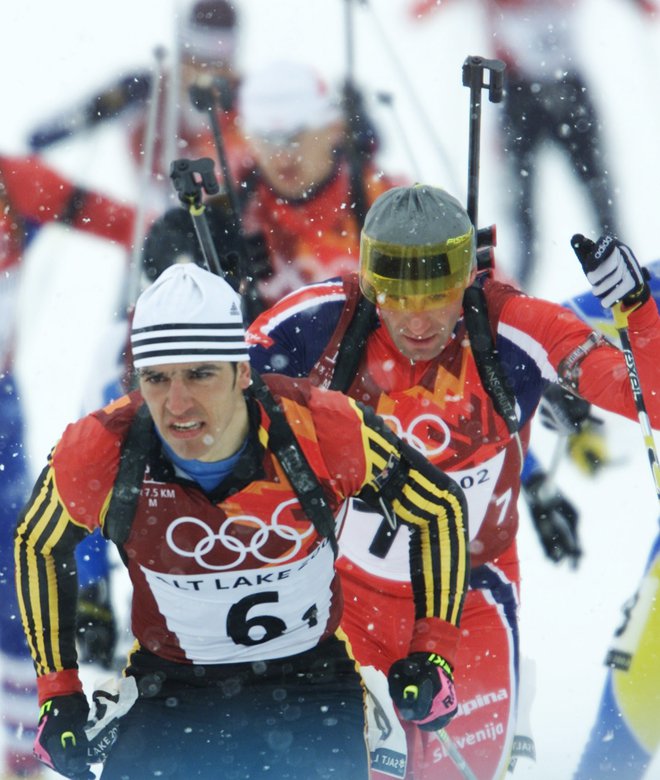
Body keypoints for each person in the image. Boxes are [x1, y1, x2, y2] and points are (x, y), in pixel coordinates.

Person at [246, 183, 660, 779]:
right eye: (394, 293)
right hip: (345, 602)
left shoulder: (513, 328)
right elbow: (200, 399)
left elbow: (646, 401)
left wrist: (637, 309)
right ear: (365, 280)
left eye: (437, 293)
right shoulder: (320, 323)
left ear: (468, 275)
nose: (416, 317)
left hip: (474, 600)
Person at [15, 262, 470, 780]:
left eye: (200, 373)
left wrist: (434, 654)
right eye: (157, 378)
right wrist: (58, 692)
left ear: (243, 371)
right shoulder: (101, 449)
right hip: (171, 690)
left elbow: (439, 508)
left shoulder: (322, 427)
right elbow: (38, 543)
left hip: (310, 684)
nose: (177, 403)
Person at [0, 153, 135, 779]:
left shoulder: (13, 181)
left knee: (13, 550)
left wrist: (165, 240)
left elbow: (125, 223)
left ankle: (25, 734)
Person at [409, 0, 658, 290]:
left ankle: (629, 283)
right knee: (523, 213)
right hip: (522, 97)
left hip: (567, 90)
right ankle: (517, 293)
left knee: (599, 196)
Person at [27, 0, 251, 209]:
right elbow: (43, 135)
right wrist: (96, 109)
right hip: (156, 232)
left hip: (234, 237)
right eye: (196, 59)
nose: (205, 71)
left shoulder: (251, 102)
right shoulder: (147, 91)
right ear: (182, 52)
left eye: (217, 63)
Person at [236, 59, 405, 306]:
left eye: (294, 137)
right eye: (267, 139)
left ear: (334, 129)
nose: (282, 155)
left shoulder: (387, 202)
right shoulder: (234, 211)